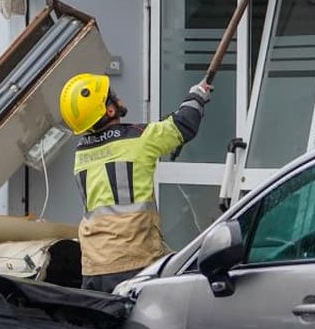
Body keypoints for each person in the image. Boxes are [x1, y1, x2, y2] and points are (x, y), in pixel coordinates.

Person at [60, 73, 212, 292]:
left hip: (93, 267)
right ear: (109, 110)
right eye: (111, 96)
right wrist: (196, 96)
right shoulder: (139, 138)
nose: (117, 97)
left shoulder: (81, 153)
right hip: (135, 263)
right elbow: (183, 124)